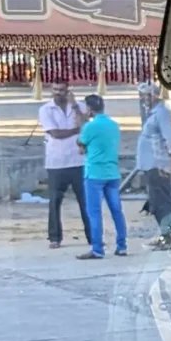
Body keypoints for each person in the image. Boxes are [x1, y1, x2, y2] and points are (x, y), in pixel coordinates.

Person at [37, 80, 93, 250]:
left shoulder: (79, 106)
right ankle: (55, 237)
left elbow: (86, 122)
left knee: (86, 202)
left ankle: (93, 236)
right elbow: (55, 133)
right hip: (56, 162)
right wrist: (77, 131)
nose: (58, 93)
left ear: (68, 90)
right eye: (55, 89)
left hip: (79, 161)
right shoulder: (45, 109)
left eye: (62, 90)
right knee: (55, 201)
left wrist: (74, 104)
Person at [76, 90, 127, 259]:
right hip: (112, 172)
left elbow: (81, 143)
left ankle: (97, 248)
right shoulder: (113, 125)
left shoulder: (90, 126)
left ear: (90, 109)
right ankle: (122, 245)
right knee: (117, 211)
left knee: (94, 212)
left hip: (95, 173)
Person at [134, 80, 171, 251]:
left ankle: (170, 238)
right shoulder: (154, 113)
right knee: (156, 201)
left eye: (144, 95)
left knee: (162, 201)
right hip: (150, 164)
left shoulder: (162, 113)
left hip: (159, 164)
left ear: (152, 95)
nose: (142, 99)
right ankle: (165, 234)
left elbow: (170, 138)